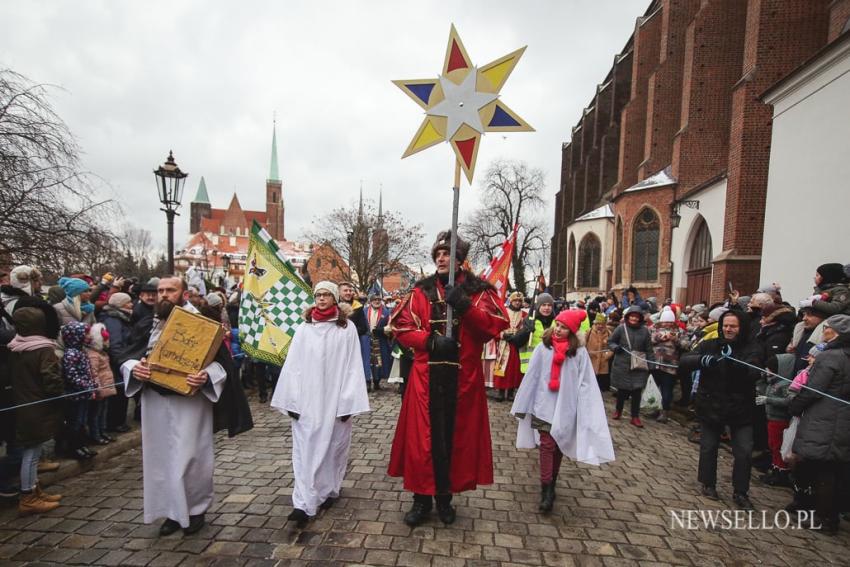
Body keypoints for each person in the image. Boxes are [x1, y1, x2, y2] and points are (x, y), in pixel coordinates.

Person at [388, 230, 508, 526]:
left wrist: (465, 307)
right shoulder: (420, 291)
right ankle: (420, 500)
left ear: (460, 260)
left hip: (463, 380)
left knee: (452, 441)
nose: (442, 258)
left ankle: (444, 499)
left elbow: (494, 326)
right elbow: (401, 327)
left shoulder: (480, 292)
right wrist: (429, 342)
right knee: (423, 442)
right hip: (424, 379)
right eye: (438, 254)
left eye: (448, 254)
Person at [120, 275, 252, 536]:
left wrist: (206, 376)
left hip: (190, 402)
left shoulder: (202, 325)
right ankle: (170, 511)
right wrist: (134, 368)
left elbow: (221, 364)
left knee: (191, 456)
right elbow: (127, 355)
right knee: (160, 458)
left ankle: (194, 510)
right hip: (154, 401)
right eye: (160, 291)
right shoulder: (148, 323)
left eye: (171, 290)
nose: (164, 295)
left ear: (184, 295)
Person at [271, 281, 370, 528]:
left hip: (335, 399)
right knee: (305, 449)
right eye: (318, 295)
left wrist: (349, 402)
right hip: (307, 399)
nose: (322, 299)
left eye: (327, 295)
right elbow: (293, 365)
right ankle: (303, 502)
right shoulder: (305, 329)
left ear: (335, 299)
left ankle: (328, 489)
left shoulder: (346, 328)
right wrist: (291, 400)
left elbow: (353, 367)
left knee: (333, 447)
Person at [511, 309, 614, 513]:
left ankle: (552, 481)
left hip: (566, 407)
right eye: (557, 325)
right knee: (547, 445)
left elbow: (585, 382)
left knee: (557, 445)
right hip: (543, 405)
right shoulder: (543, 347)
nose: (558, 329)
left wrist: (584, 407)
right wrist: (522, 404)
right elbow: (532, 375)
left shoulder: (578, 353)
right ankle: (546, 488)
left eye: (564, 327)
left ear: (573, 331)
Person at [679, 310, 762, 509]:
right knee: (709, 447)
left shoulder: (753, 347)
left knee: (744, 451)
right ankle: (708, 483)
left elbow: (754, 371)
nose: (728, 329)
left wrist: (735, 364)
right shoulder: (711, 344)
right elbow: (685, 361)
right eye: (725, 325)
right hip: (712, 404)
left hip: (741, 407)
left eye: (733, 326)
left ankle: (741, 491)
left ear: (741, 327)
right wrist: (702, 360)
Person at [788, 314, 850, 534]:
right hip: (842, 420)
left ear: (834, 332)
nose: (823, 331)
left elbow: (813, 389)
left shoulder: (830, 357)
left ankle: (825, 519)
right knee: (832, 469)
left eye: (826, 328)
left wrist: (794, 407)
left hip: (826, 419)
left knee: (823, 470)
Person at [8, 306, 64, 515]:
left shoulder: (14, 347)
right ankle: (28, 496)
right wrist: (59, 395)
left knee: (33, 451)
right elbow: (51, 379)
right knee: (31, 454)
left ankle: (35, 489)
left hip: (23, 403)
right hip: (37, 406)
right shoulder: (43, 349)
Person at [608, 306, 655, 427]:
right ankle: (618, 410)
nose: (634, 318)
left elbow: (649, 349)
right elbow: (610, 342)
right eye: (632, 316)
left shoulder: (645, 331)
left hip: (639, 365)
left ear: (640, 318)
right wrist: (615, 348)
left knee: (637, 392)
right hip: (623, 364)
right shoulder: (621, 328)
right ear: (628, 316)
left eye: (636, 316)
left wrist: (651, 365)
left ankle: (635, 416)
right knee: (622, 391)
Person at [61, 321, 98, 460]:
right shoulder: (71, 354)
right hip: (75, 395)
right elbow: (71, 375)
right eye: (86, 333)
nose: (89, 336)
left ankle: (81, 445)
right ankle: (73, 448)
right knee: (75, 422)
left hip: (83, 394)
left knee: (81, 421)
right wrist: (86, 385)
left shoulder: (81, 351)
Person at [99, 292, 133, 433]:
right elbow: (115, 343)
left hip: (119, 361)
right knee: (118, 394)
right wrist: (122, 362)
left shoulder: (121, 318)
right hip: (117, 363)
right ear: (120, 305)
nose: (131, 304)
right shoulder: (114, 320)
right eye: (128, 302)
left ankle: (117, 422)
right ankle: (115, 423)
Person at [650, 307, 689, 423]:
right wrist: (659, 338)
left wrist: (675, 339)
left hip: (670, 366)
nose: (667, 323)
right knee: (654, 388)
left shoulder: (680, 331)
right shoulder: (654, 329)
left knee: (667, 389)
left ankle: (664, 412)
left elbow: (686, 345)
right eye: (665, 321)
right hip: (655, 363)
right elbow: (648, 341)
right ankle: (654, 408)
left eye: (669, 321)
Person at [493, 291, 529, 402]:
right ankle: (501, 391)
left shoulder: (524, 315)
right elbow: (496, 327)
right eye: (515, 300)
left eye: (519, 301)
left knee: (514, 369)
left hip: (517, 345)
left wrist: (519, 336)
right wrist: (502, 335)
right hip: (504, 344)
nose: (517, 303)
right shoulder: (504, 312)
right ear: (511, 301)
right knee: (502, 368)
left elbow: (526, 329)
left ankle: (511, 392)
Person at [85, 322, 116, 445]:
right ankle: (96, 435)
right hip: (100, 389)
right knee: (95, 414)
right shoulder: (94, 355)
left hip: (106, 388)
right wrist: (97, 388)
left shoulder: (102, 353)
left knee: (102, 412)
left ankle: (102, 432)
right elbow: (93, 373)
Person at [338, 282, 371, 387]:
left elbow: (363, 327)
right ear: (338, 292)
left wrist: (349, 332)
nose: (348, 293)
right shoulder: (334, 305)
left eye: (350, 290)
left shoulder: (358, 307)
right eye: (345, 290)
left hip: (353, 341)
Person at [519, 293, 556, 374]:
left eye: (549, 305)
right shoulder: (529, 321)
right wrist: (525, 331)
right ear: (538, 306)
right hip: (533, 365)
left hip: (552, 365)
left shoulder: (557, 322)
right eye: (543, 305)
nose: (547, 308)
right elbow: (519, 342)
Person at [365, 293, 392, 391]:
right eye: (374, 299)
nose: (377, 301)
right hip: (367, 340)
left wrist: (381, 330)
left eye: (378, 299)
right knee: (368, 361)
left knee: (379, 362)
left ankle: (377, 381)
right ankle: (367, 381)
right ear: (370, 301)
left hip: (380, 340)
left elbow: (391, 326)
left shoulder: (387, 312)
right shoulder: (364, 311)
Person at [586, 313, 613, 393]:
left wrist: (607, 356)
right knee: (591, 380)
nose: (600, 326)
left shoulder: (608, 333)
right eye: (598, 324)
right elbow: (583, 343)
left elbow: (612, 346)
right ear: (595, 323)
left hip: (603, 362)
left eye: (602, 324)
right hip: (591, 359)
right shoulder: (589, 331)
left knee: (601, 385)